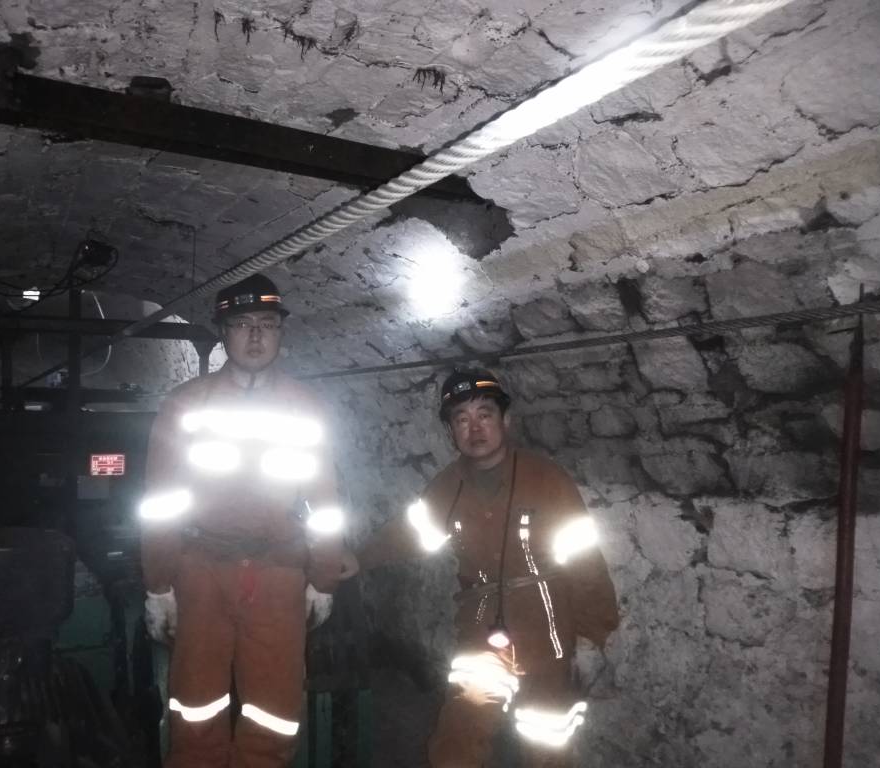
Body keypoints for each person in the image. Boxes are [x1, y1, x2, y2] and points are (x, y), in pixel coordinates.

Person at [351, 368, 620, 767]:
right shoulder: (447, 487)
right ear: (450, 432)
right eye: (461, 419)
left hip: (546, 629)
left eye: (485, 415)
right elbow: (407, 535)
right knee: (458, 736)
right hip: (481, 630)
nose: (474, 428)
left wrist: (594, 636)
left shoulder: (547, 479)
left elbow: (584, 561)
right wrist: (356, 559)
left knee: (548, 742)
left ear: (505, 420)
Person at [139, 274, 347, 768]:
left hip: (278, 574)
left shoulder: (305, 407)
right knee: (196, 706)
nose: (255, 336)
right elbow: (160, 502)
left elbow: (325, 502)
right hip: (201, 570)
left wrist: (324, 578)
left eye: (267, 324)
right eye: (242, 324)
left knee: (274, 713)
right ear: (223, 332)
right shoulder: (186, 404)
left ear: (280, 332)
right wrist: (158, 584)